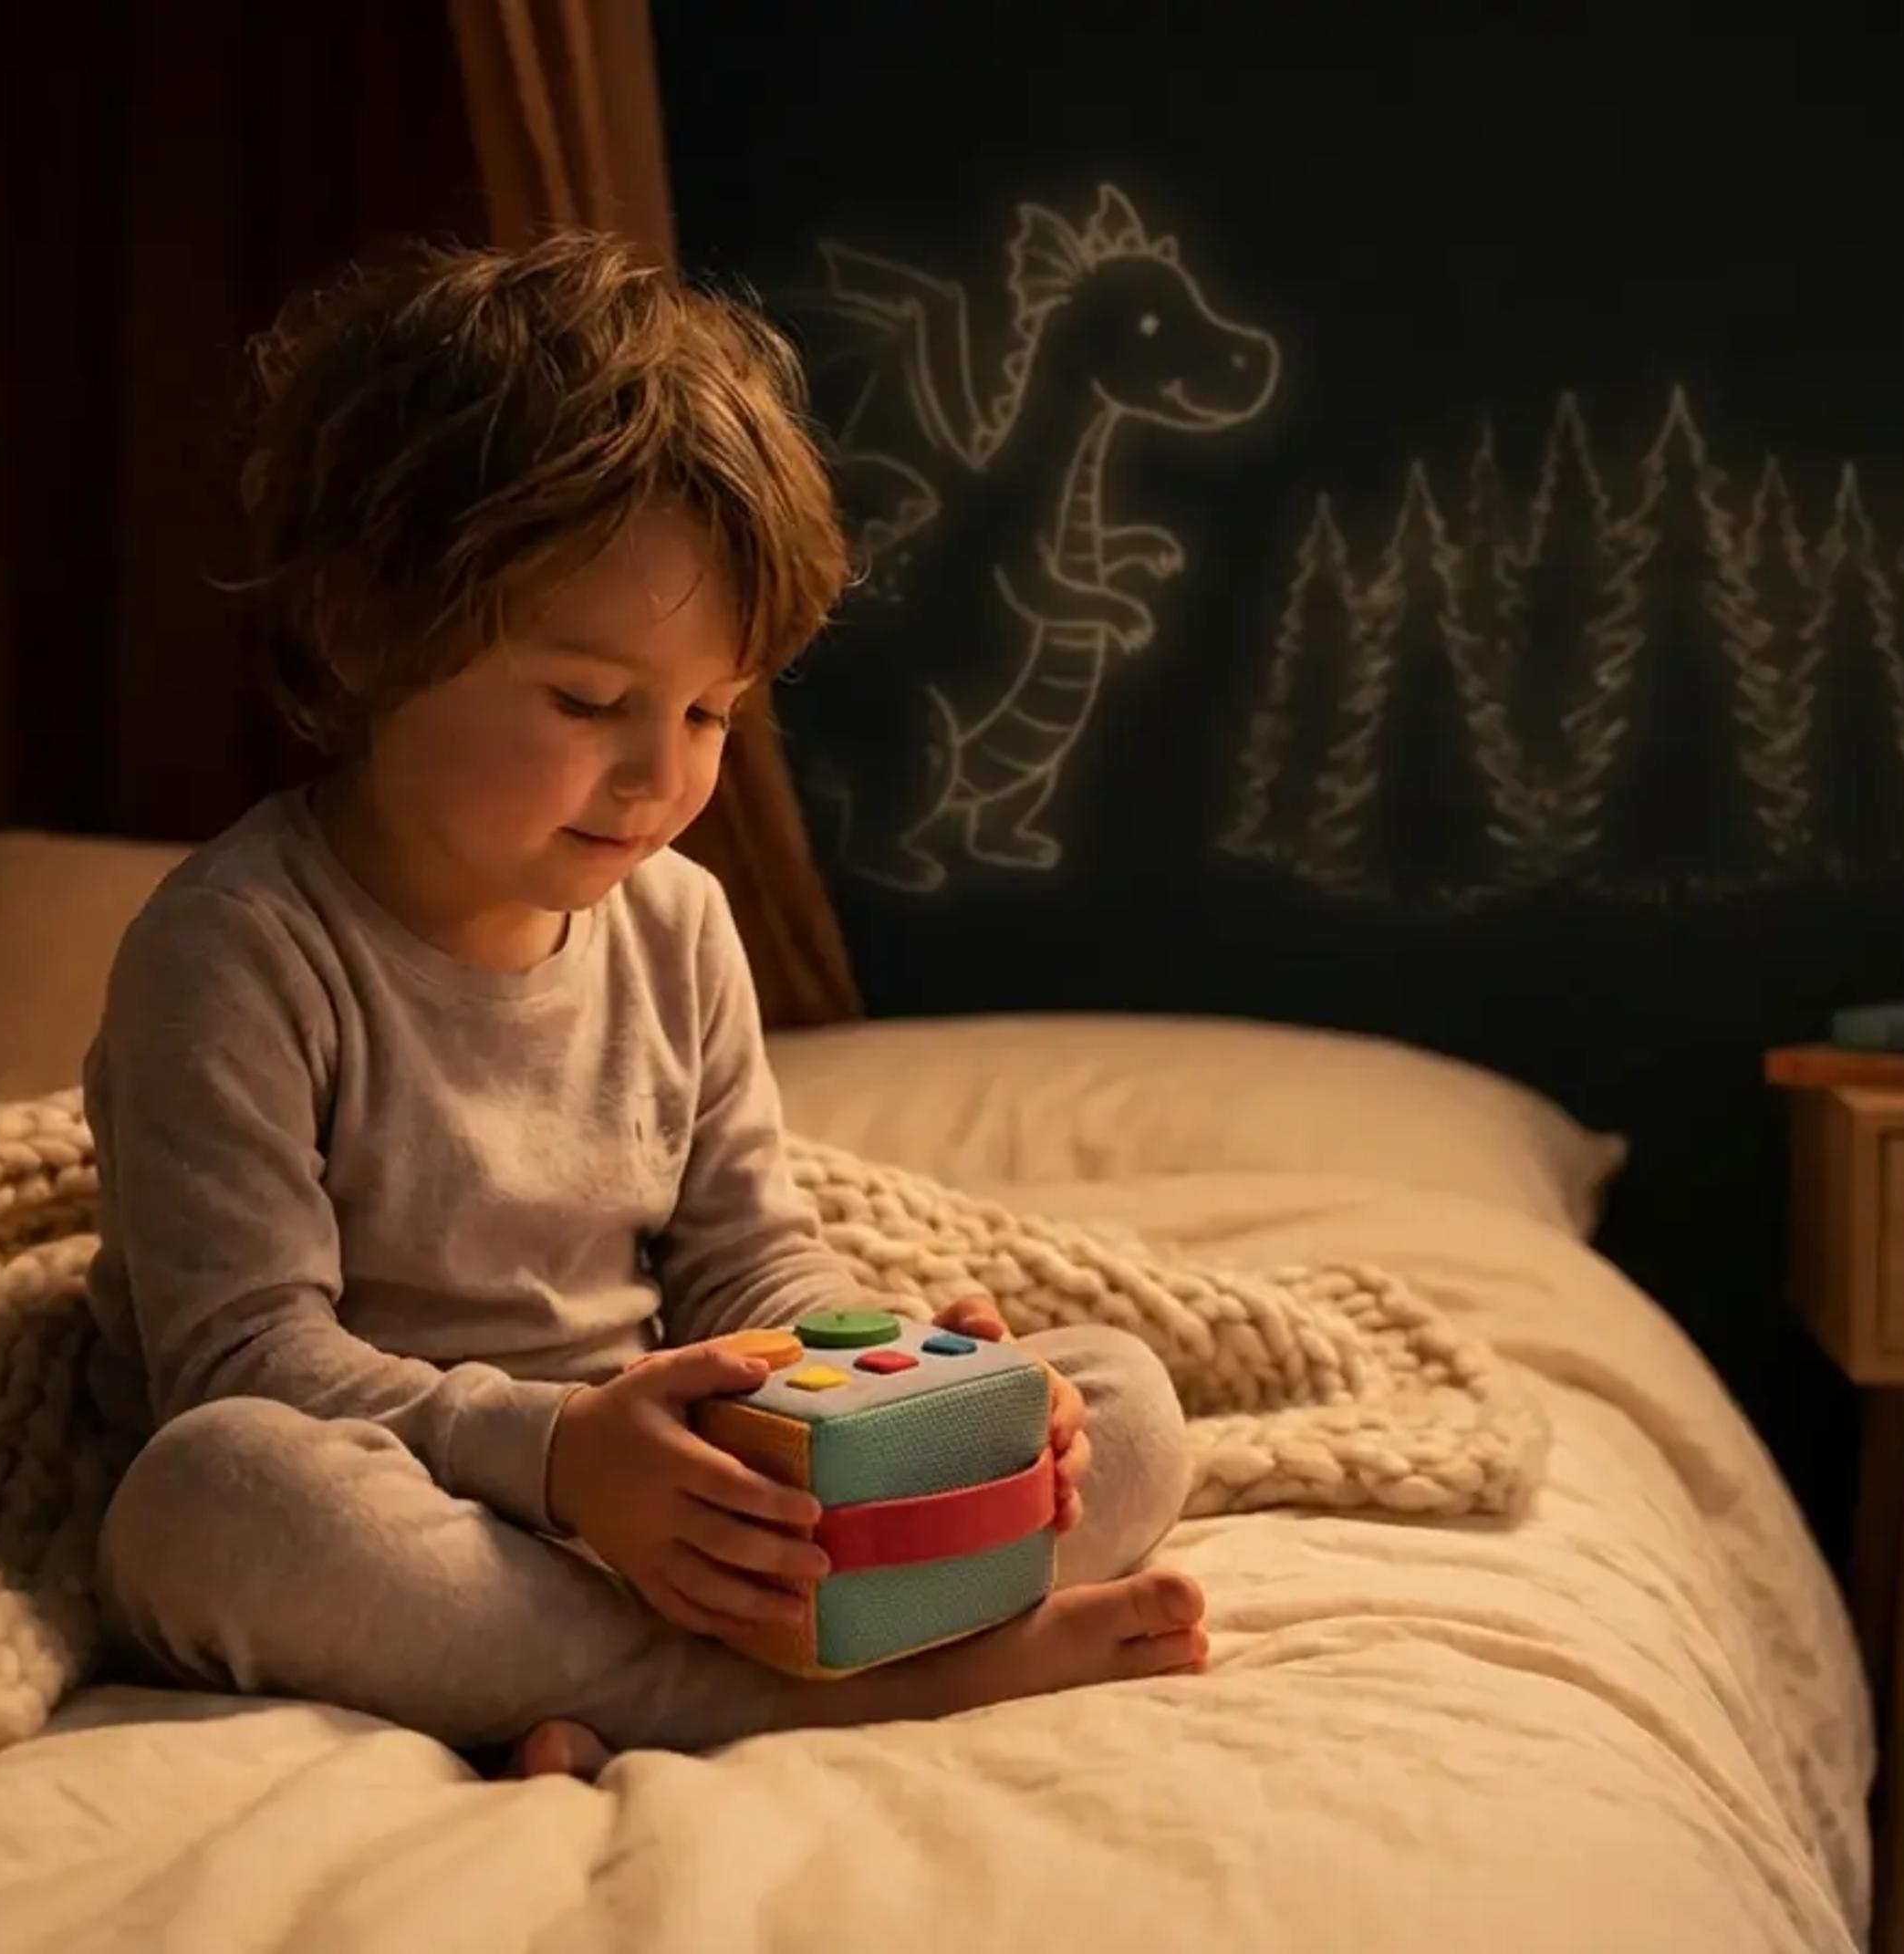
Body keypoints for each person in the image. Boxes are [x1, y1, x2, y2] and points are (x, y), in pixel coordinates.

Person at [85, 229, 1202, 1781]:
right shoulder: (236, 951)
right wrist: (561, 1457)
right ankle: (820, 1687)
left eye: (708, 713)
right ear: (361, 630)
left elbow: (748, 1262)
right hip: (439, 1508)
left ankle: (670, 1670)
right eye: (589, 702)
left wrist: (903, 1388)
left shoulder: (678, 924)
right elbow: (244, 1358)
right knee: (204, 1499)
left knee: (1123, 1404)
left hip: (689, 1507)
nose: (659, 774)